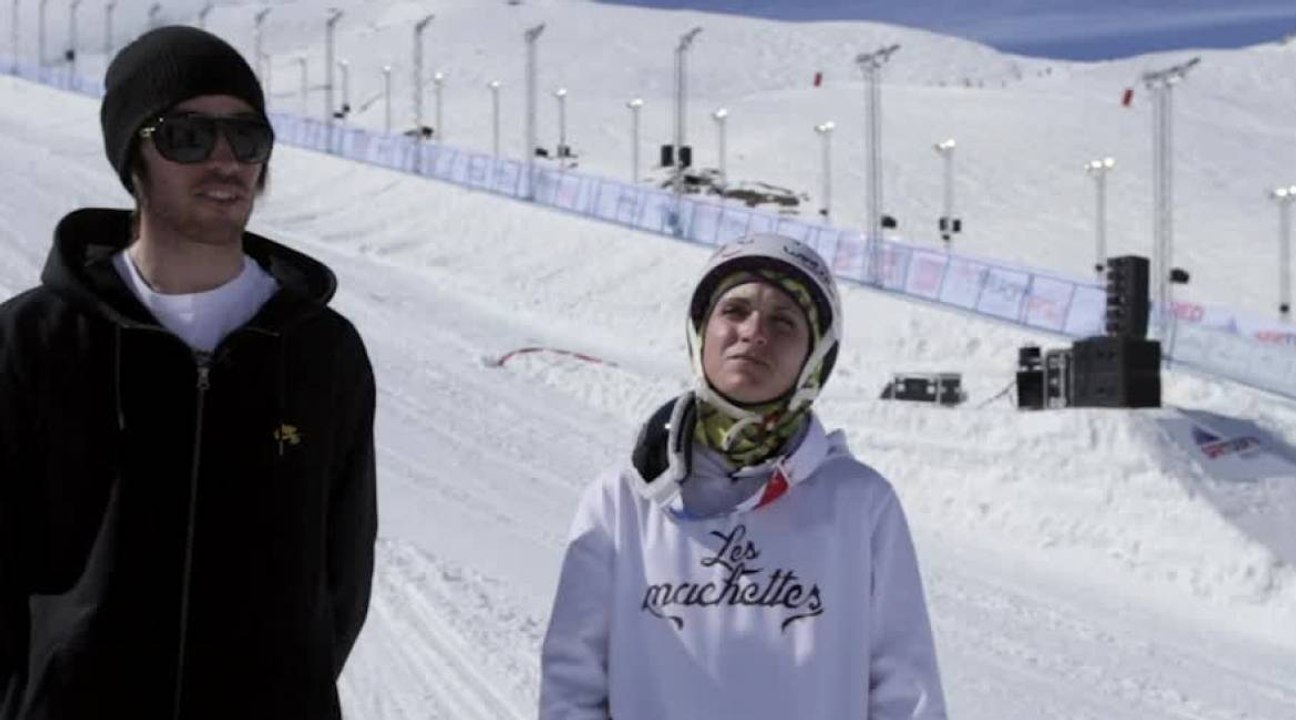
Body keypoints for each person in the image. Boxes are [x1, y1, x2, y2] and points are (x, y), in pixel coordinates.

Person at [0, 26, 377, 719]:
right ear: (132, 157)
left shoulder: (323, 353)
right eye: (187, 137)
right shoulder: (31, 341)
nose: (225, 161)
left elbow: (342, 574)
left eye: (248, 137)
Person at [540, 234, 946, 719]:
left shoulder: (860, 503)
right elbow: (572, 686)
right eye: (734, 311)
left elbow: (906, 692)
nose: (754, 333)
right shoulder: (622, 501)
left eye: (784, 322)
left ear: (814, 360)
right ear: (701, 330)